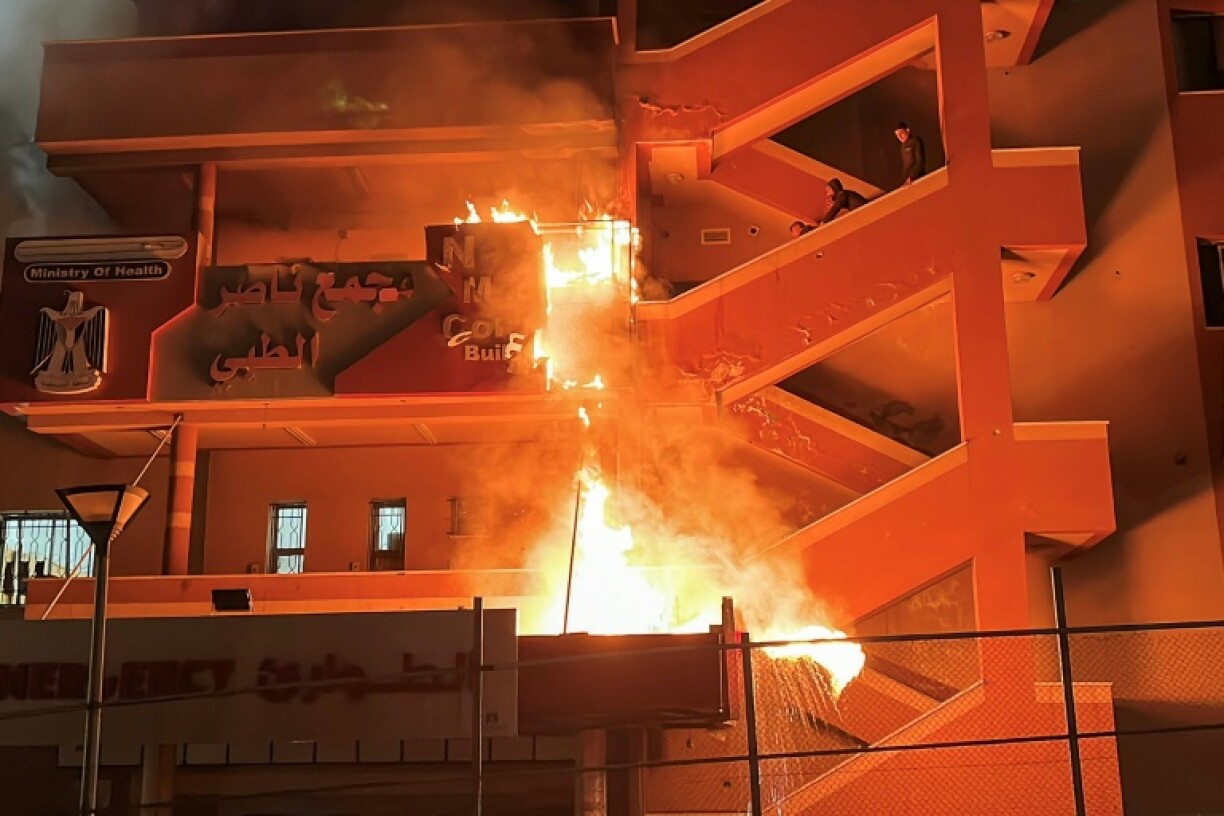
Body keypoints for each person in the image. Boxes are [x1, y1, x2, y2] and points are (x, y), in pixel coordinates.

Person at [895, 121, 926, 187]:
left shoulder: (916, 141)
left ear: (908, 130)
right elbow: (906, 166)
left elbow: (920, 161)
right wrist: (904, 180)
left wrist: (912, 176)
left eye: (901, 133)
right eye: (897, 135)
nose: (899, 137)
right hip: (909, 181)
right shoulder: (902, 147)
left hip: (918, 178)